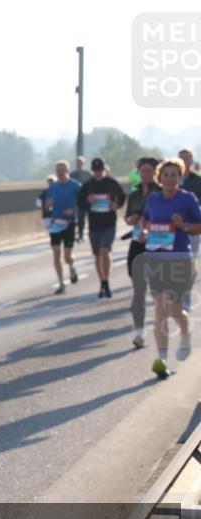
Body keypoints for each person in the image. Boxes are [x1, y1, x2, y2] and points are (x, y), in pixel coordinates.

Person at [141, 157, 201, 379]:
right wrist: (144, 233)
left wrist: (183, 225)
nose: (169, 178)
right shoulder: (154, 199)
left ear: (181, 176)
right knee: (160, 310)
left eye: (174, 174)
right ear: (160, 177)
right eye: (165, 174)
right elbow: (146, 222)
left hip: (179, 258)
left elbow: (199, 225)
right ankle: (162, 359)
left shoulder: (187, 199)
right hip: (156, 257)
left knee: (175, 308)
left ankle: (185, 333)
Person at [125, 157, 161, 348]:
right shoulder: (134, 194)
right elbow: (127, 217)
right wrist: (132, 218)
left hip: (158, 243)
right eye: (142, 171)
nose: (145, 174)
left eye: (149, 170)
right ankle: (139, 332)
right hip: (137, 242)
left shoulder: (162, 192)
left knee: (157, 292)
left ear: (155, 172)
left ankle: (156, 324)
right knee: (139, 289)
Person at [77, 158, 126, 298]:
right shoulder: (87, 186)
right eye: (95, 171)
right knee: (97, 255)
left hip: (109, 223)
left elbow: (122, 197)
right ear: (92, 171)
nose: (98, 173)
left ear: (104, 170)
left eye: (100, 170)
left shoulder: (111, 183)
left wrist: (116, 204)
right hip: (94, 224)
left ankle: (106, 281)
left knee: (105, 251)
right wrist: (87, 201)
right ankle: (102, 282)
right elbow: (80, 204)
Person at [45, 160, 82, 294]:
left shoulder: (75, 186)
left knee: (67, 256)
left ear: (67, 171)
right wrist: (48, 204)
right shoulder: (53, 187)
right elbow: (47, 205)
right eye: (58, 170)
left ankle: (72, 267)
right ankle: (61, 283)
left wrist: (74, 210)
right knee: (56, 253)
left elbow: (82, 203)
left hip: (69, 224)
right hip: (56, 224)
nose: (60, 173)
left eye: (62, 170)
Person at [178, 148, 201, 311]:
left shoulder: (197, 181)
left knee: (190, 263)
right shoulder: (170, 178)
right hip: (172, 229)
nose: (184, 161)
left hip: (192, 227)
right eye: (181, 158)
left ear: (191, 161)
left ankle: (186, 296)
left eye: (187, 158)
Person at [71, 155, 92, 242]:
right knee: (77, 217)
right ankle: (76, 234)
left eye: (81, 163)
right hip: (76, 198)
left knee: (83, 217)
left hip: (86, 198)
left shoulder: (88, 174)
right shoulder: (72, 174)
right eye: (78, 163)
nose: (79, 164)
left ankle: (81, 234)